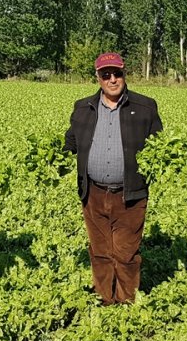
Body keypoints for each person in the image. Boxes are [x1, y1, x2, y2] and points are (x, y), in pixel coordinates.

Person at [64, 52, 163, 305]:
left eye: (117, 73)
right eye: (105, 74)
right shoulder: (83, 108)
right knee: (100, 251)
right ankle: (105, 298)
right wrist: (53, 158)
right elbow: (70, 142)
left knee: (126, 253)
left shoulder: (145, 107)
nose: (112, 79)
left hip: (130, 194)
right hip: (93, 194)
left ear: (124, 74)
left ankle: (125, 301)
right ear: (97, 77)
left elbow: (159, 147)